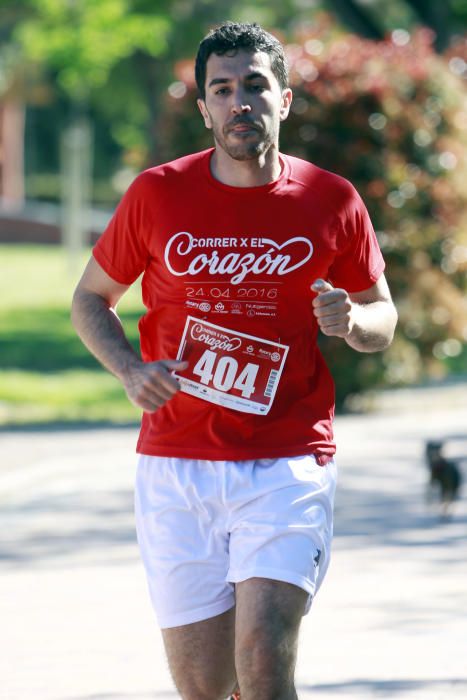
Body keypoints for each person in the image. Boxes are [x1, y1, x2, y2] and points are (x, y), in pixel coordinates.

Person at [71, 21, 397, 700]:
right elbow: (91, 299)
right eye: (221, 89)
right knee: (204, 689)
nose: (238, 100)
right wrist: (131, 370)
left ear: (282, 100)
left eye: (254, 84)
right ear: (204, 108)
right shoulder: (158, 194)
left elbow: (382, 317)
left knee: (263, 660)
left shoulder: (330, 199)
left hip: (286, 463)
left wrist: (352, 321)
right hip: (176, 467)